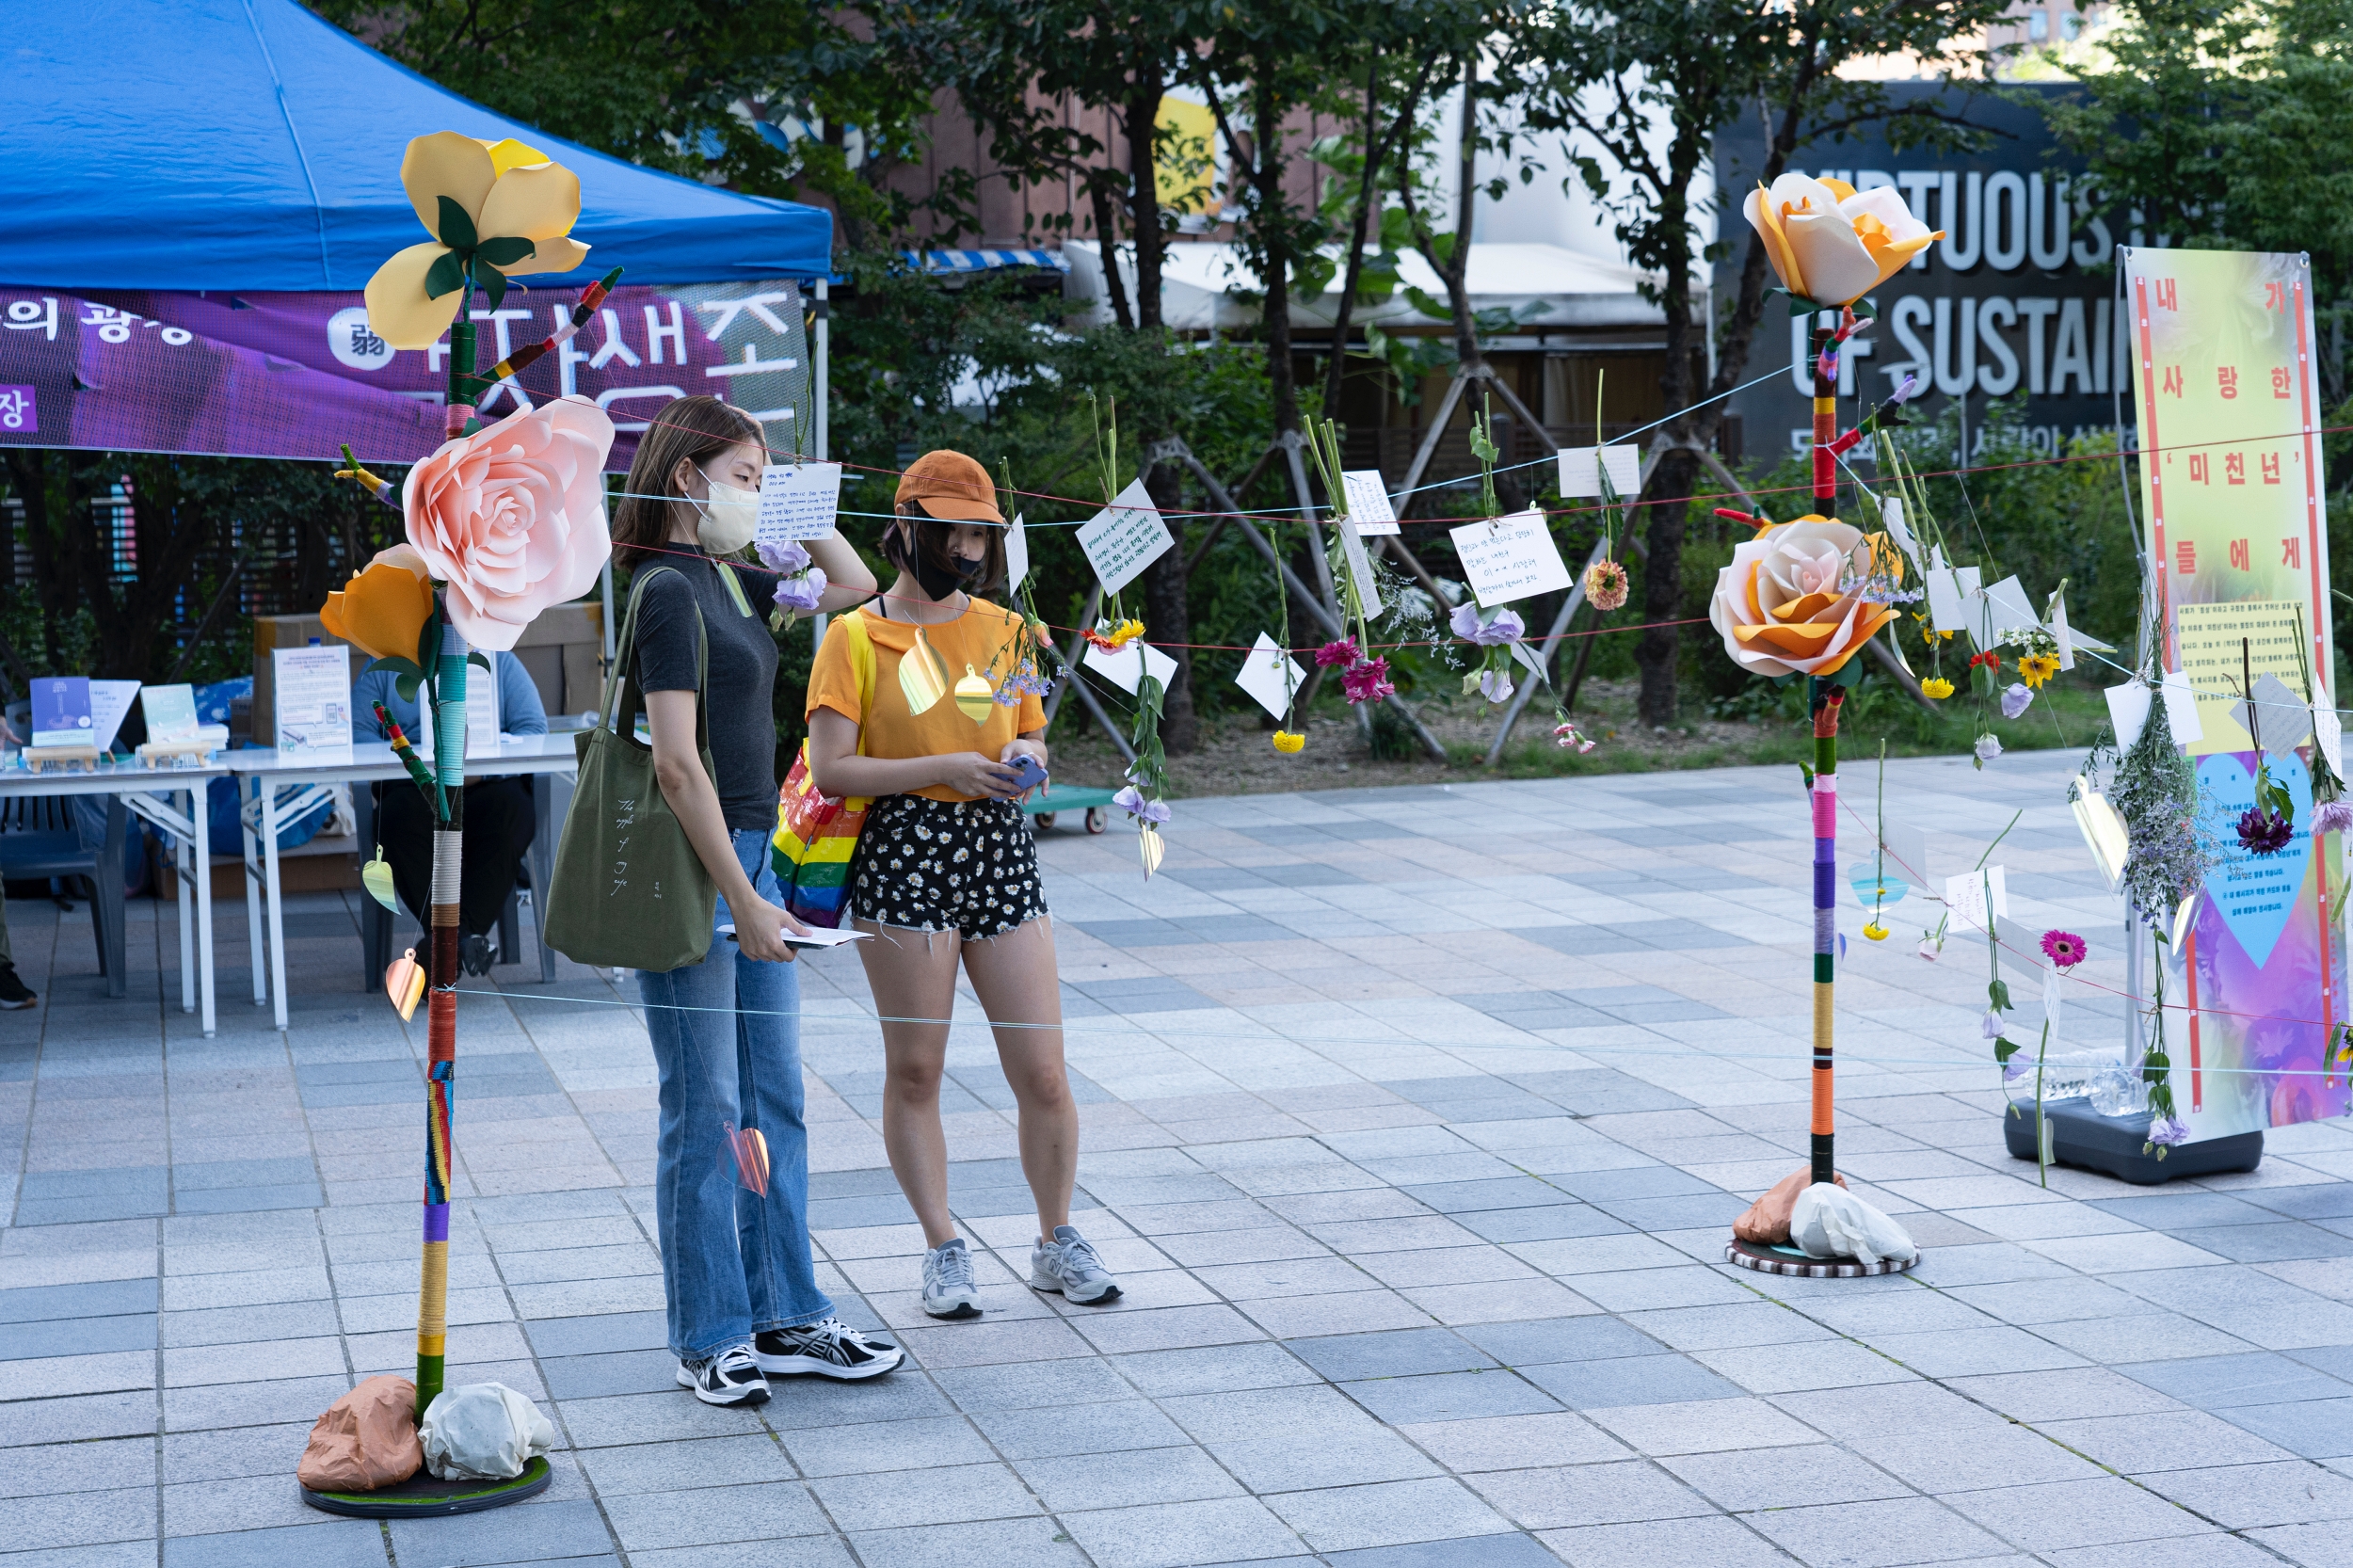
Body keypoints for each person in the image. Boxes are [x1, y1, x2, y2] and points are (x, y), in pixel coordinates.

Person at [614, 394, 893, 1407]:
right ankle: (709, 1332)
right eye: (742, 477)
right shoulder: (665, 592)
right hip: (698, 864)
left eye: (762, 481)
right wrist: (744, 896)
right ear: (685, 478)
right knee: (706, 1104)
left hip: (754, 855)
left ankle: (785, 1309)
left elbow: (857, 585)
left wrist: (793, 497)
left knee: (774, 1097)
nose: (755, 496)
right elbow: (677, 767)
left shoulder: (733, 579)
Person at [804, 449, 1119, 1320]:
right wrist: (942, 765)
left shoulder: (1006, 628)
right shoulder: (854, 635)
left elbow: (1034, 737)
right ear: (905, 526)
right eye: (949, 527)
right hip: (903, 851)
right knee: (916, 1068)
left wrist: (1027, 758)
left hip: (997, 846)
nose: (966, 547)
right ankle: (943, 1244)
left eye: (979, 531)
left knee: (1044, 1070)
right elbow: (830, 770)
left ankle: (1056, 1237)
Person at [353, 650, 547, 976]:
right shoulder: (383, 664)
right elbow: (359, 734)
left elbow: (533, 729)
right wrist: (415, 764)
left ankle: (445, 947)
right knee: (395, 820)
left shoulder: (497, 658)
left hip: (486, 785)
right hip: (414, 785)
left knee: (512, 813)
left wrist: (481, 766)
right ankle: (458, 943)